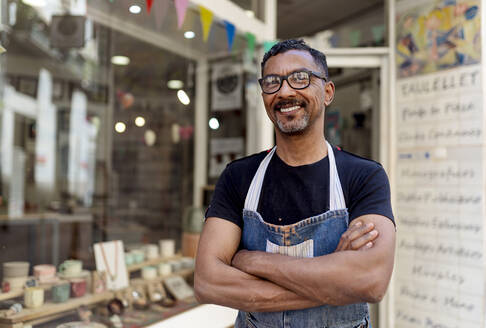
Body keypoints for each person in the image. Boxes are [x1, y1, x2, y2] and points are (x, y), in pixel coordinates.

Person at [194, 39, 395, 328]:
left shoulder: (364, 177)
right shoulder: (239, 176)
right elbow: (207, 282)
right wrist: (333, 282)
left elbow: (371, 280)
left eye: (300, 78)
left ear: (327, 92)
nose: (285, 91)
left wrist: (254, 262)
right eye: (272, 82)